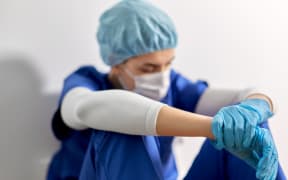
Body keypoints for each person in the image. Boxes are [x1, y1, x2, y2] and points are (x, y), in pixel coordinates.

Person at [47, 0, 286, 180]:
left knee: (248, 124)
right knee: (122, 126)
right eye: (149, 67)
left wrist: (253, 110)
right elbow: (80, 109)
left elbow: (250, 94)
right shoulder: (87, 81)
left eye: (168, 63)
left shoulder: (174, 86)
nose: (162, 75)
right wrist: (214, 129)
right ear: (115, 63)